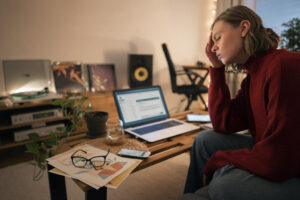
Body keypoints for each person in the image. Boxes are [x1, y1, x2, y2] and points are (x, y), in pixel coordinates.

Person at [182, 5, 300, 200]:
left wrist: (220, 160)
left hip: (291, 168)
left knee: (224, 182)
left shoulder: (283, 66)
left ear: (244, 28)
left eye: (217, 37)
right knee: (205, 140)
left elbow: (279, 160)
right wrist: (216, 69)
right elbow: (224, 123)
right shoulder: (252, 78)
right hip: (276, 156)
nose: (212, 47)